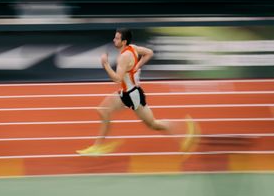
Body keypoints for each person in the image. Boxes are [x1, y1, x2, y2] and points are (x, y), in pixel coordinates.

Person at [77, 28, 197, 156]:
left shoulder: (123, 57)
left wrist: (105, 64)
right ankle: (98, 147)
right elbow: (149, 53)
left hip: (133, 95)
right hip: (126, 92)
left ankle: (184, 133)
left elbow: (117, 78)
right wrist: (138, 65)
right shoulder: (132, 48)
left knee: (153, 124)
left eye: (117, 38)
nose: (114, 40)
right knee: (103, 110)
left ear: (123, 41)